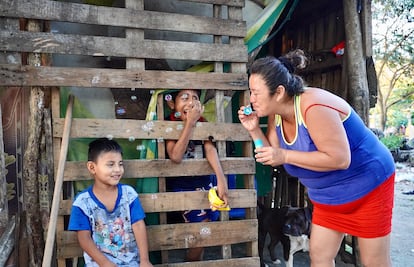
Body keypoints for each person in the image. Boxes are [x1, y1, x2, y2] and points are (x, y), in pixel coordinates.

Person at [238, 49, 395, 267]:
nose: (251, 99)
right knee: (319, 257)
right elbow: (272, 156)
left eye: (255, 92)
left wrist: (284, 154)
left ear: (279, 92)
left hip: (368, 184)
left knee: (373, 262)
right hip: (327, 194)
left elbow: (340, 159)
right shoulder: (276, 113)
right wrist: (254, 130)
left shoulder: (314, 106)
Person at [165, 89, 229, 261]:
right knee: (202, 229)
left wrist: (221, 180)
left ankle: (196, 261)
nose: (191, 102)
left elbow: (210, 149)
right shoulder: (168, 124)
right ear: (172, 104)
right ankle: (191, 262)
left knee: (206, 226)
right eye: (184, 98)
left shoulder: (202, 122)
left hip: (205, 183)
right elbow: (176, 156)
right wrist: (190, 124)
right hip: (183, 186)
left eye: (195, 98)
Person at [68, 138, 153, 267]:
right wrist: (106, 264)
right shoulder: (82, 202)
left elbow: (138, 226)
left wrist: (145, 260)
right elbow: (84, 238)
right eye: (110, 164)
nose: (118, 169)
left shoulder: (129, 194)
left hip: (131, 263)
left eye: (120, 164)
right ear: (92, 167)